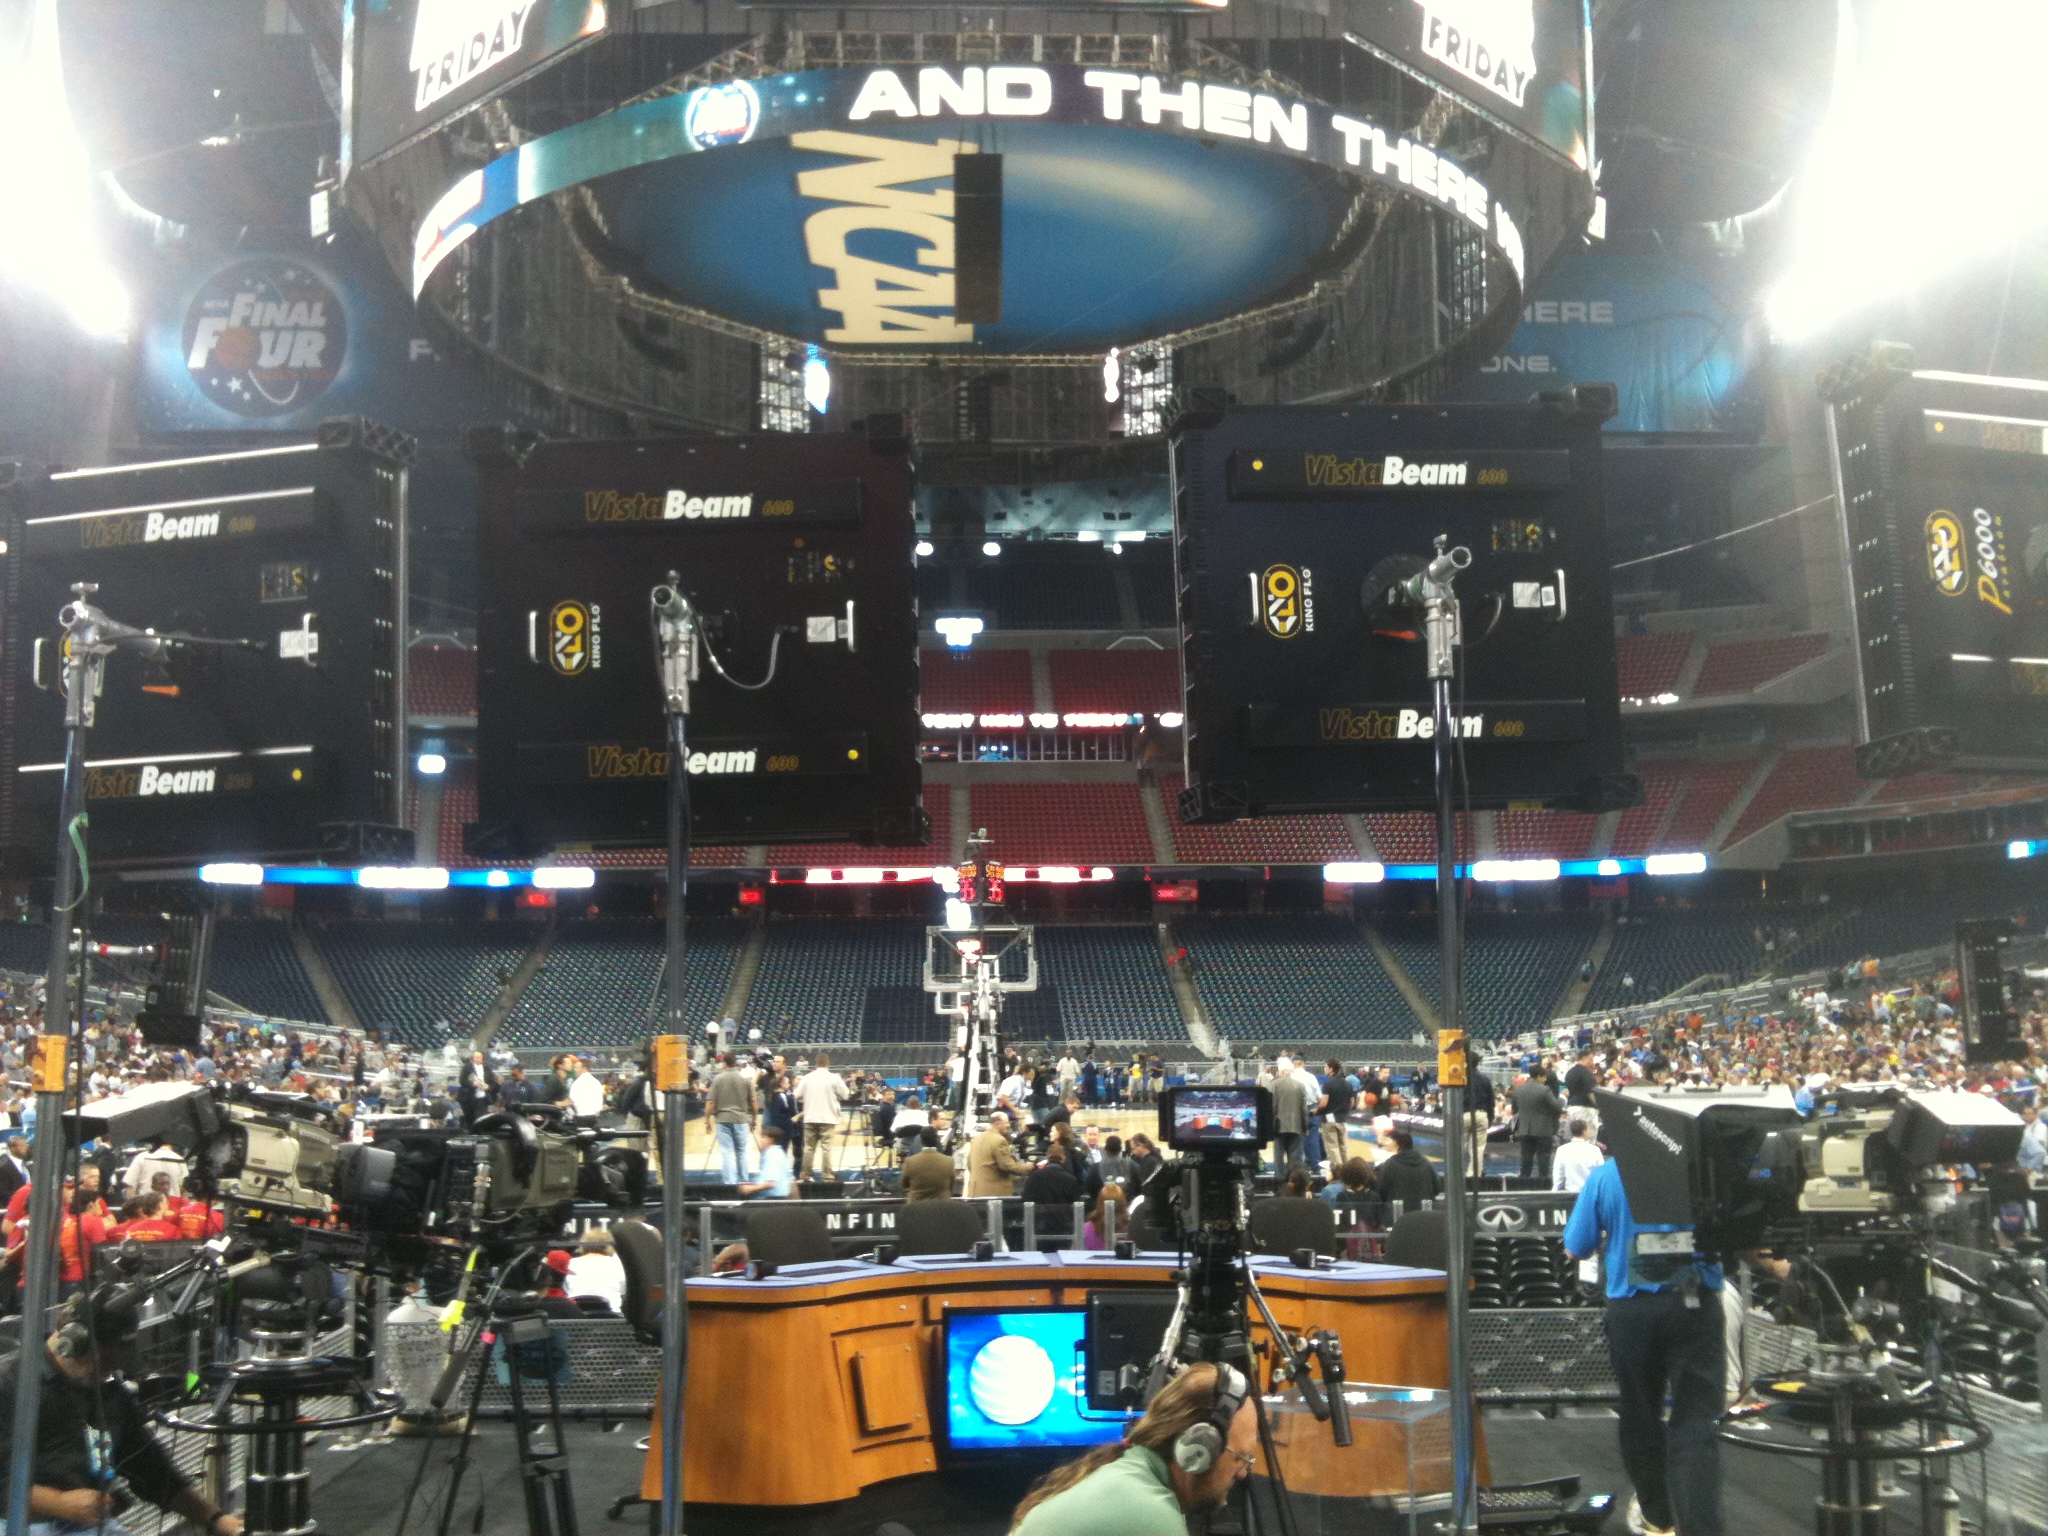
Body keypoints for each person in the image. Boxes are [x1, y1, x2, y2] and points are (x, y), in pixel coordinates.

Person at [1562, 1154, 1786, 1536]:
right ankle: (1702, 1528)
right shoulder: (1702, 1169)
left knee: (1639, 1414)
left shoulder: (1605, 1177)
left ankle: (1657, 1516)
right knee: (1697, 1422)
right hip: (1695, 1308)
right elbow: (1743, 1237)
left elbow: (1575, 1247)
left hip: (1632, 1311)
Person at [0, 1287, 244, 1536]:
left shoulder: (108, 1393)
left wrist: (216, 1519)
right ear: (74, 1341)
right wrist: (58, 1503)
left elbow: (151, 1469)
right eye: (106, 1358)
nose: (112, 1369)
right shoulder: (9, 1384)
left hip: (83, 1525)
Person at [1009, 1362, 1256, 1536]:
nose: (1243, 1472)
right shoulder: (1152, 1517)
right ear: (1200, 1447)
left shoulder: (1122, 1474)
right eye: (1240, 1458)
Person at [704, 1053, 757, 1184]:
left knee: (727, 1151)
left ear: (724, 1063)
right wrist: (754, 1119)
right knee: (742, 1151)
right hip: (741, 1119)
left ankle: (730, 1182)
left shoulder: (718, 1079)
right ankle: (744, 1180)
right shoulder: (745, 1079)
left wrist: (707, 1120)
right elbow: (754, 1102)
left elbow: (710, 1102)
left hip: (723, 1119)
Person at [796, 1054, 850, 1180]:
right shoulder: (834, 1078)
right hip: (828, 1118)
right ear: (828, 1064)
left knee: (809, 1148)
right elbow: (846, 1095)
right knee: (826, 1148)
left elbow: (797, 1094)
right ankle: (827, 1174)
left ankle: (805, 1173)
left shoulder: (807, 1077)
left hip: (810, 1117)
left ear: (816, 1064)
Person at [1511, 1070, 1565, 1184]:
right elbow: (1556, 1107)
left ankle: (1523, 1182)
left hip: (1524, 1128)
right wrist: (1562, 1100)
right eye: (1544, 1077)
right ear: (1539, 1076)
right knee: (1543, 1156)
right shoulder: (1545, 1090)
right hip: (1543, 1129)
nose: (1545, 1079)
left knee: (1526, 1156)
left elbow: (1514, 1109)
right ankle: (1543, 1182)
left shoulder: (1519, 1089)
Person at [1373, 1129, 1441, 1217]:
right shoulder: (1426, 1163)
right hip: (1423, 1216)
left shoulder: (1389, 1165)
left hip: (1397, 1216)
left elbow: (1380, 1191)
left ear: (1398, 1145)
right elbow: (1437, 1188)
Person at [967, 1112, 1033, 1197]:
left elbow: (969, 1164)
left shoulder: (976, 1139)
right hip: (994, 1193)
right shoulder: (999, 1140)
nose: (1009, 1125)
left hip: (975, 1192)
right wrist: (1029, 1167)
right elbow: (1007, 1166)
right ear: (997, 1123)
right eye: (1006, 1123)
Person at [564, 1230, 627, 1313]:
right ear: (610, 1246)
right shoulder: (620, 1265)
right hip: (612, 1318)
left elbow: (565, 1289)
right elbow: (625, 1291)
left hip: (575, 1317)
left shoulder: (569, 1263)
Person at [1318, 1060, 1355, 1175]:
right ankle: (1347, 1170)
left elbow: (1324, 1103)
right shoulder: (1347, 1083)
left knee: (1332, 1147)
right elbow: (1352, 1102)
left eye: (1326, 1067)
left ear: (1331, 1069)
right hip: (1342, 1119)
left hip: (1329, 1118)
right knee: (1343, 1146)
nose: (1324, 1069)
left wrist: (1316, 1110)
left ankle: (1338, 1173)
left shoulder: (1328, 1084)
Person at [737, 1126, 793, 1199]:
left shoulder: (772, 1154)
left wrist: (750, 1189)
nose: (761, 1140)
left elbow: (770, 1183)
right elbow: (791, 1179)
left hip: (771, 1199)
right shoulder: (780, 1153)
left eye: (763, 1137)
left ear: (771, 1139)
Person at [1551, 1120, 1605, 1194]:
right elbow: (1601, 1173)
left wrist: (1555, 1191)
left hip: (1569, 1193)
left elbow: (1558, 1174)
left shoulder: (1562, 1150)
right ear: (1584, 1131)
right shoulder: (1594, 1150)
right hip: (1590, 1193)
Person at [902, 1128, 957, 1201]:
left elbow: (904, 1185)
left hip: (917, 1206)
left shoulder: (910, 1161)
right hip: (941, 1206)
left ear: (921, 1141)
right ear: (937, 1140)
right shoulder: (949, 1161)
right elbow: (951, 1185)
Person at [456, 1050, 498, 1127]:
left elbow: (493, 1082)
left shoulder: (487, 1068)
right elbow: (462, 1081)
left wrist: (488, 1087)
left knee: (482, 1119)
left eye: (479, 1057)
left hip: (482, 1099)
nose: (477, 1059)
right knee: (470, 1119)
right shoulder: (467, 1067)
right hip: (469, 1099)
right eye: (475, 1057)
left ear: (482, 1058)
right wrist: (473, 1084)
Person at [1083, 1185, 1127, 1250]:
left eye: (1119, 1210)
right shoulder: (1085, 1231)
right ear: (1102, 1209)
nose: (1113, 1216)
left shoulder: (1129, 1229)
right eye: (1115, 1211)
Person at [567, 1057, 606, 1123]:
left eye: (577, 1067)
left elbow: (572, 1100)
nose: (575, 1069)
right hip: (594, 1116)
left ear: (585, 1068)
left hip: (580, 1116)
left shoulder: (577, 1083)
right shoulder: (596, 1082)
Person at [2019, 1103, 2047, 1174]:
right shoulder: (2026, 1127)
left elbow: (2039, 1146)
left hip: (2036, 1162)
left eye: (2029, 1113)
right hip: (2025, 1160)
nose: (2026, 1116)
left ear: (2036, 1114)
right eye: (2025, 1114)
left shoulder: (2040, 1127)